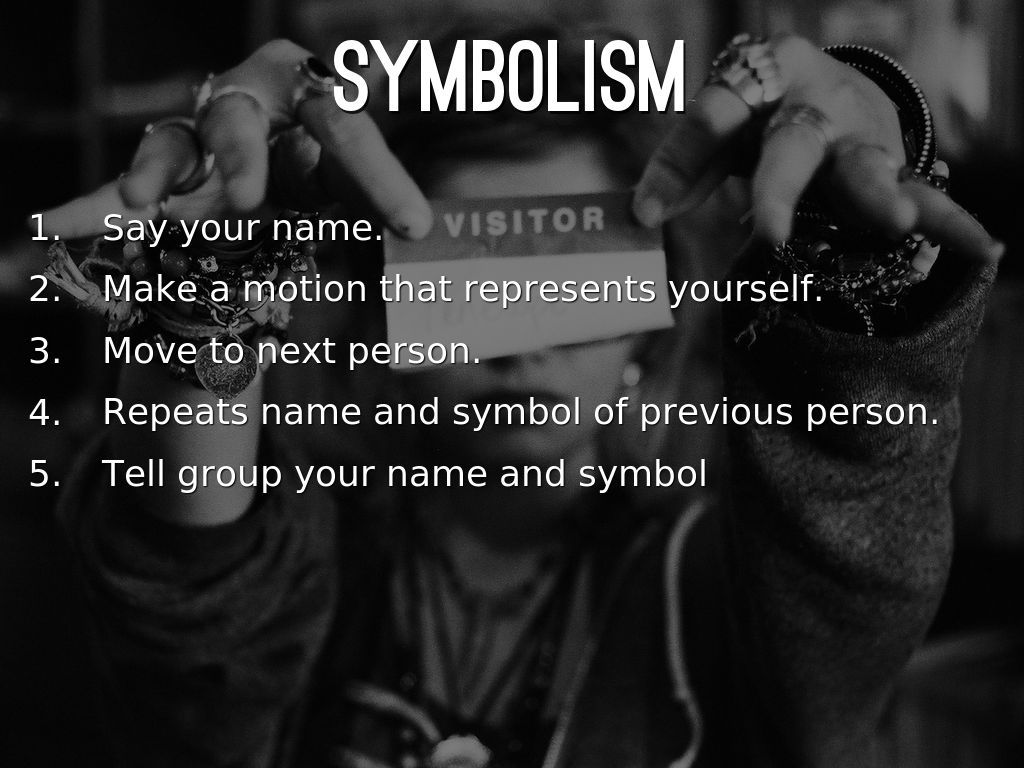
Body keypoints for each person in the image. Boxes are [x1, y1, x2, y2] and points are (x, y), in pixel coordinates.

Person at [42, 17, 1002, 768]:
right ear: (384, 313)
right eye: (468, 283)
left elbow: (857, 528)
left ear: (651, 316)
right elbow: (190, 633)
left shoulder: (731, 590)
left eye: (573, 282)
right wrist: (212, 276)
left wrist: (853, 227)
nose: (525, 344)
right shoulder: (311, 554)